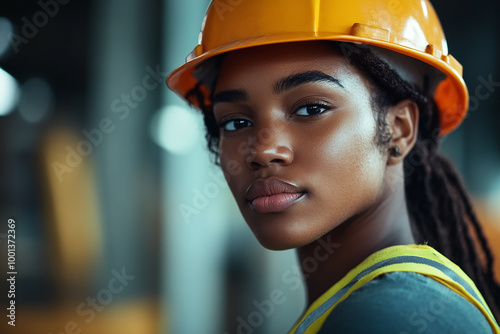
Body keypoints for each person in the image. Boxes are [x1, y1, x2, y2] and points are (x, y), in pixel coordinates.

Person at [167, 0, 500, 332]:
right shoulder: (372, 305)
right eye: (236, 122)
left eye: (311, 109)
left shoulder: (389, 317)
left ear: (399, 129)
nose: (264, 150)